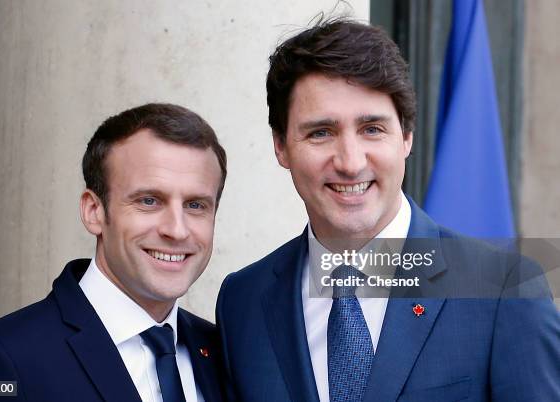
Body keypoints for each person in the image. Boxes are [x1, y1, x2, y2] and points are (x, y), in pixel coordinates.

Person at [216, 19, 560, 402]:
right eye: (321, 132)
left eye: (372, 129)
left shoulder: (504, 291)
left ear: (406, 137)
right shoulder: (242, 301)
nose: (349, 162)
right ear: (281, 146)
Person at [0, 103, 227, 402]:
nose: (177, 229)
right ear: (93, 211)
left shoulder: (223, 353)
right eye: (149, 200)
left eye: (195, 205)